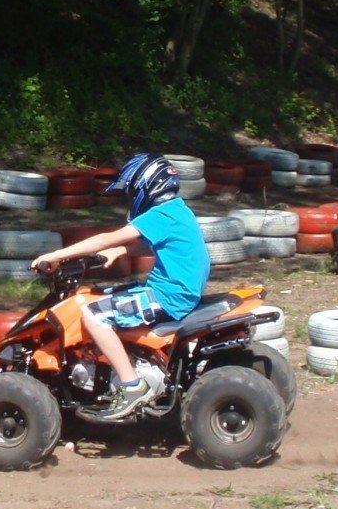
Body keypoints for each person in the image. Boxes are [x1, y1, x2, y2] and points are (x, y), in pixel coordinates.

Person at [30, 153, 209, 416]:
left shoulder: (160, 215)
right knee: (101, 294)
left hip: (169, 296)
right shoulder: (177, 211)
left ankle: (131, 385)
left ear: (147, 187)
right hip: (177, 291)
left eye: (133, 190)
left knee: (95, 314)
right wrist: (121, 252)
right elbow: (154, 242)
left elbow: (107, 238)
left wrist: (56, 255)